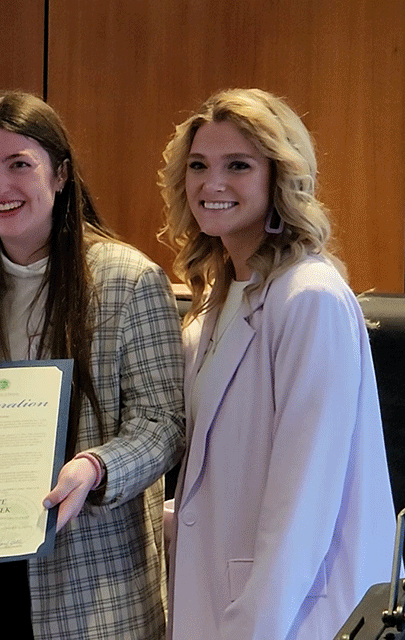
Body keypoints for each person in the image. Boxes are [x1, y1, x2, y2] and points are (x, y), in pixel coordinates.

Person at [0, 90, 184, 639]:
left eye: (19, 165)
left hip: (92, 583)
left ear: (60, 175)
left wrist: (95, 468)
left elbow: (164, 425)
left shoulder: (130, 280)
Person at [159, 88, 396, 639]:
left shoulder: (309, 297)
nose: (210, 184)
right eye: (198, 166)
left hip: (290, 617)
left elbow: (305, 505)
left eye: (237, 165)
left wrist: (250, 628)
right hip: (221, 600)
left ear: (280, 177)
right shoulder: (220, 301)